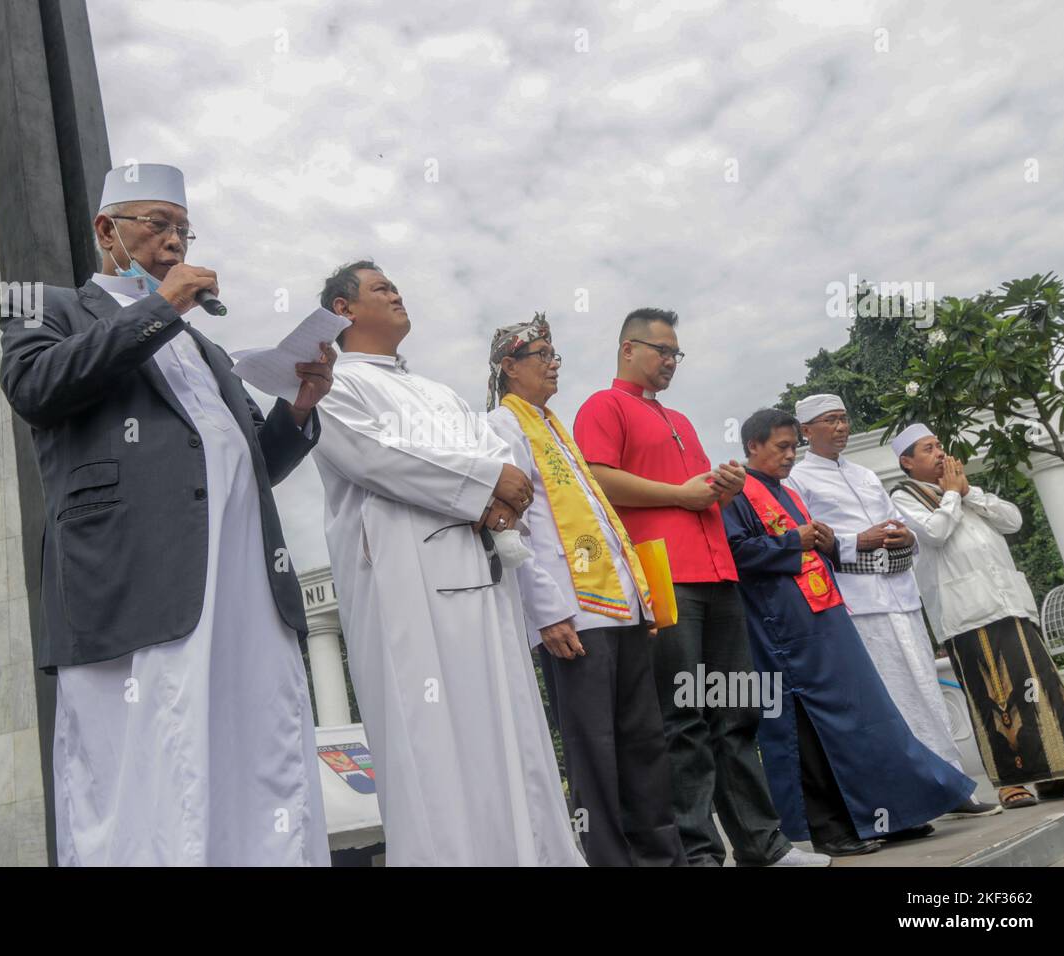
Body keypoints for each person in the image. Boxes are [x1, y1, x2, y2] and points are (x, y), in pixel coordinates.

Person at [0, 163, 334, 865]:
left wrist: (299, 405)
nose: (176, 243)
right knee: (150, 768)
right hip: (136, 580)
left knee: (255, 759)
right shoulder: (50, 305)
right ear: (106, 231)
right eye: (158, 225)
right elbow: (36, 387)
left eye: (184, 229)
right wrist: (159, 310)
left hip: (242, 589)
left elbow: (252, 467)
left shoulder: (205, 349)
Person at [311, 262, 584, 866]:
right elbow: (376, 456)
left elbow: (496, 456)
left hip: (484, 575)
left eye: (396, 285)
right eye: (380, 288)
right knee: (432, 744)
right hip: (404, 581)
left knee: (510, 733)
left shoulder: (440, 392)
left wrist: (494, 487)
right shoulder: (333, 383)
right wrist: (485, 483)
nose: (397, 293)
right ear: (343, 310)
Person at [574, 308, 826, 867]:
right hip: (664, 575)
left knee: (735, 713)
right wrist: (682, 494)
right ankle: (699, 852)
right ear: (627, 349)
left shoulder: (681, 420)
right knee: (683, 718)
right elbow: (597, 480)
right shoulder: (602, 406)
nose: (670, 362)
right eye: (662, 351)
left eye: (676, 354)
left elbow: (696, 493)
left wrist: (723, 488)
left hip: (717, 573)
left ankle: (763, 845)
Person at [723, 409, 977, 856]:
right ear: (752, 448)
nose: (789, 456)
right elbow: (736, 552)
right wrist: (791, 542)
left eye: (792, 447)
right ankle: (831, 829)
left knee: (866, 719)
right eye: (780, 448)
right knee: (810, 731)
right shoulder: (737, 493)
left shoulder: (784, 492)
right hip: (782, 630)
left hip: (826, 617)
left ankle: (892, 814)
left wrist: (822, 541)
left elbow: (817, 546)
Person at [484, 312, 686, 866]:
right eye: (541, 355)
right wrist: (547, 612)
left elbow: (597, 519)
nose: (553, 365)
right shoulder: (503, 427)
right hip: (574, 615)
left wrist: (638, 600)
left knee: (644, 743)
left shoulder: (554, 426)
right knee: (594, 751)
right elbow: (512, 527)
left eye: (555, 355)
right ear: (509, 366)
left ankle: (661, 858)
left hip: (615, 607)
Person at [786, 395, 1000, 818]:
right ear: (806, 431)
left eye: (844, 419)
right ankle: (917, 794)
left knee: (926, 689)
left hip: (900, 596)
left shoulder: (866, 475)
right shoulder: (798, 481)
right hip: (859, 603)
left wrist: (907, 538)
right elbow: (810, 538)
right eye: (830, 421)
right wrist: (854, 542)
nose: (842, 427)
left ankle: (955, 787)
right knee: (892, 697)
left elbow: (906, 529)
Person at [890, 424, 1064, 809]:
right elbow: (936, 533)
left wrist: (967, 493)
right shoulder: (903, 498)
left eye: (940, 445)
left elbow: (1012, 521)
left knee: (1041, 688)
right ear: (907, 462)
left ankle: (1057, 774)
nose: (941, 453)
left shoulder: (964, 491)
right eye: (929, 449)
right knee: (994, 697)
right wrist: (950, 496)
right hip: (966, 615)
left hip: (1009, 604)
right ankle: (1010, 782)